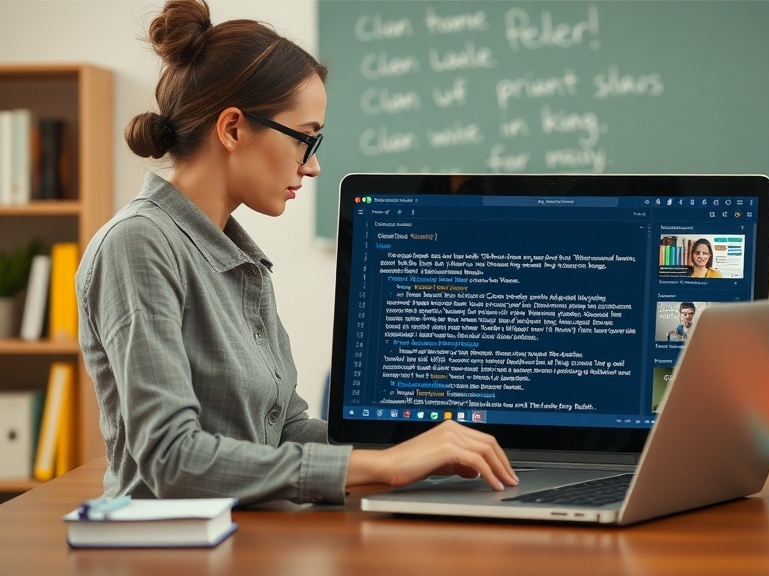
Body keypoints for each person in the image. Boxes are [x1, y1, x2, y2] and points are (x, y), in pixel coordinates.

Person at [75, 0, 517, 506]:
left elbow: (283, 429)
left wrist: (420, 448)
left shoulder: (241, 260)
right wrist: (384, 466)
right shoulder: (140, 244)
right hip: (172, 548)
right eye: (306, 140)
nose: (313, 168)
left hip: (251, 536)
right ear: (233, 128)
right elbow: (174, 461)